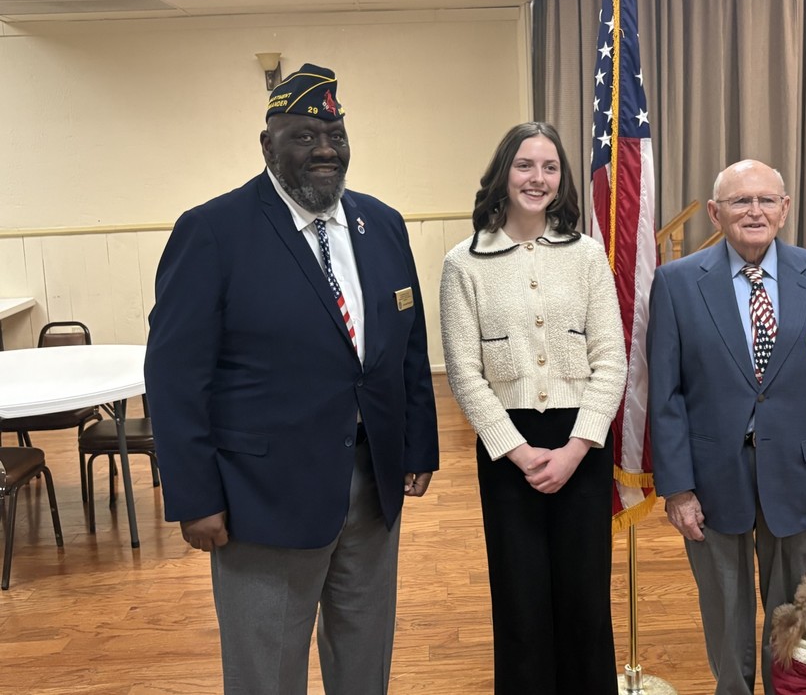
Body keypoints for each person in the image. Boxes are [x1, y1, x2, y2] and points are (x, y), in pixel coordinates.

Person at [144, 63, 439, 695]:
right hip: (261, 501)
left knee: (365, 662)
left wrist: (418, 446)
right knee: (267, 675)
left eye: (335, 132)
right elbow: (173, 377)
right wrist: (195, 497)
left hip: (372, 487)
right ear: (268, 144)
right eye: (305, 135)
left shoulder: (381, 224)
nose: (325, 149)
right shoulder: (213, 232)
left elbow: (406, 346)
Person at [646, 159, 806, 695]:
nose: (754, 211)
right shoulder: (675, 284)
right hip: (711, 477)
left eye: (766, 200)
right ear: (716, 213)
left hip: (804, 479)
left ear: (785, 210)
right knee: (725, 615)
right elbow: (666, 396)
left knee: (799, 617)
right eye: (741, 201)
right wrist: (675, 489)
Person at [439, 122, 627, 695]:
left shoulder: (588, 257)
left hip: (581, 447)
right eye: (525, 165)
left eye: (549, 167)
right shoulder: (464, 263)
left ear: (561, 180)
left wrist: (575, 449)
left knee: (585, 600)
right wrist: (518, 453)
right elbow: (464, 373)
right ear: (503, 173)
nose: (537, 178)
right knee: (520, 603)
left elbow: (611, 361)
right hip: (507, 451)